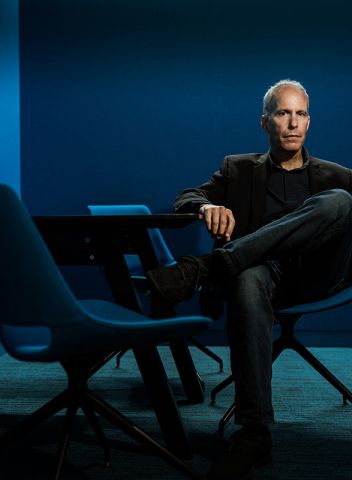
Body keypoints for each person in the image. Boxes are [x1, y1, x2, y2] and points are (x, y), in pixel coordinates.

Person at [146, 79, 352, 480]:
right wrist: (207, 206)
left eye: (301, 114)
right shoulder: (236, 168)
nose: (292, 123)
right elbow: (186, 196)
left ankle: (208, 267)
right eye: (282, 113)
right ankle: (253, 432)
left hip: (321, 275)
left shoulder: (339, 177)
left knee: (341, 203)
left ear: (309, 121)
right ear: (265, 122)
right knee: (249, 275)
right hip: (261, 278)